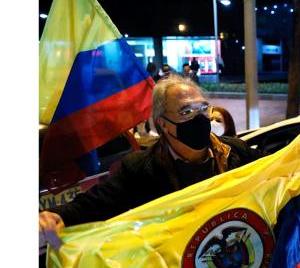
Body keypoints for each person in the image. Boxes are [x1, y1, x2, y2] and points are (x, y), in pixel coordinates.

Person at [39, 75, 267, 252]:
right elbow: (93, 205)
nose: (199, 118)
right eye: (186, 111)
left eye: (203, 109)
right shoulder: (140, 169)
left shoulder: (235, 152)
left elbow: (279, 170)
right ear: (164, 124)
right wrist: (55, 217)